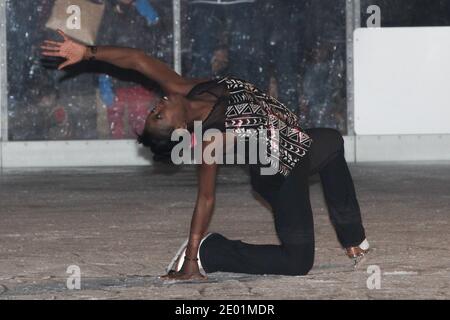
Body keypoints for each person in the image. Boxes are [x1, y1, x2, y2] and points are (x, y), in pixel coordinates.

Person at [41, 30, 369, 281]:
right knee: (299, 263)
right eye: (158, 117)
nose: (155, 108)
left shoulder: (187, 88)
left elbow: (138, 60)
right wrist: (194, 251)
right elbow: (206, 198)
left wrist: (88, 52)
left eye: (152, 112)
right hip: (281, 176)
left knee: (332, 143)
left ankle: (352, 236)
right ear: (181, 127)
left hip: (298, 144)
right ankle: (214, 252)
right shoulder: (210, 139)